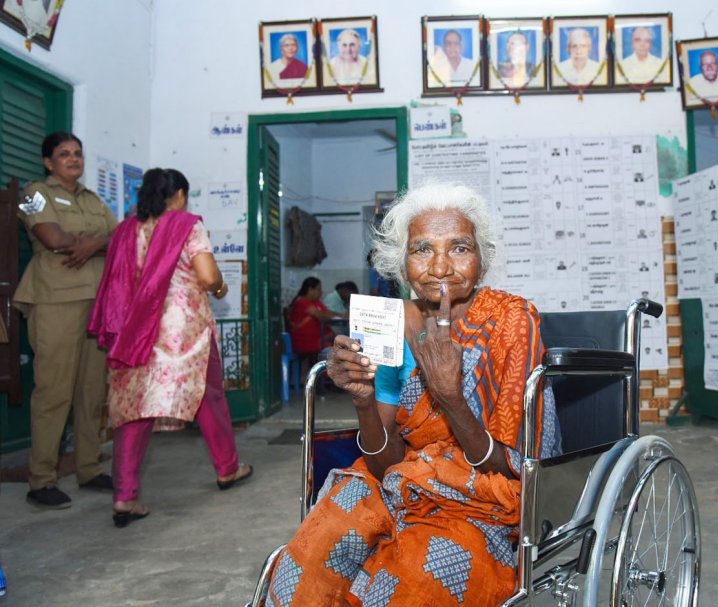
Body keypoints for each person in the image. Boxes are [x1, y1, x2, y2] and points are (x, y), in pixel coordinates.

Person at [265, 182, 560, 605]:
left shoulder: (512, 322)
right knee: (310, 555)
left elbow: (515, 470)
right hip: (401, 479)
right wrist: (364, 401)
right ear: (402, 262)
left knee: (413, 581)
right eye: (422, 249)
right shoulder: (389, 324)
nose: (440, 266)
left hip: (483, 497)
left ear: (482, 258)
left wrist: (450, 397)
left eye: (459, 247)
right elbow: (385, 464)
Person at [87, 168, 253, 528]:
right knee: (208, 397)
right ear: (179, 194)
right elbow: (208, 276)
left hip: (134, 329)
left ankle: (124, 496)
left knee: (134, 411)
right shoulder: (186, 224)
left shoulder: (125, 230)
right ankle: (228, 469)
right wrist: (222, 289)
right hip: (181, 330)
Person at [13, 132, 117, 509]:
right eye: (63, 154)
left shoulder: (91, 198)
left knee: (91, 392)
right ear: (48, 162)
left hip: (96, 302)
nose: (73, 159)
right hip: (55, 301)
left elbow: (120, 236)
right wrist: (97, 241)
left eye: (77, 153)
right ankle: (41, 479)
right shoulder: (34, 193)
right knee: (53, 392)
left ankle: (88, 468)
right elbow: (51, 236)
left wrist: (92, 243)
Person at [285, 276, 348, 377]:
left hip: (317, 338)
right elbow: (321, 316)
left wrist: (341, 315)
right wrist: (338, 316)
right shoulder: (302, 302)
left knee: (337, 345)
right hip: (304, 341)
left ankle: (332, 380)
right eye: (318, 289)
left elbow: (326, 312)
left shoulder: (316, 302)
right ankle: (328, 380)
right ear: (310, 289)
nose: (321, 292)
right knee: (330, 349)